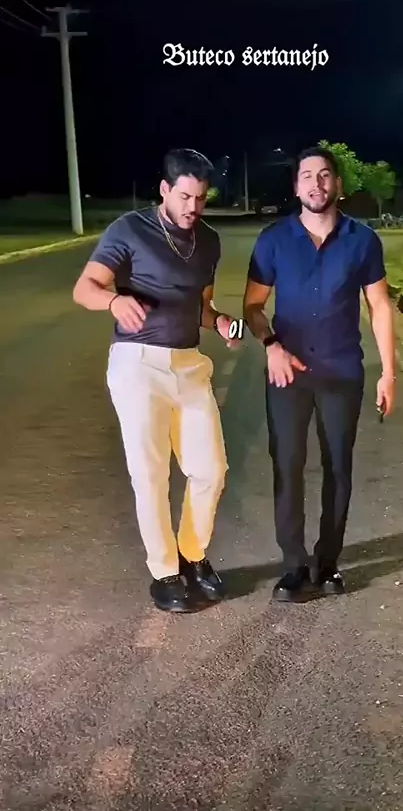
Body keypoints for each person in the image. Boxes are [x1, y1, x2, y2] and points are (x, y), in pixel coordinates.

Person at [73, 148, 241, 613]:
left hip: (189, 363)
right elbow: (85, 288)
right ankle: (165, 572)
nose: (193, 207)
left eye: (201, 198)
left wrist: (220, 322)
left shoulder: (208, 241)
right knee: (150, 474)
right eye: (185, 196)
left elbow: (202, 306)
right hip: (138, 363)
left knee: (210, 470)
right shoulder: (129, 229)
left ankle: (192, 554)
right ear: (165, 190)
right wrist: (113, 302)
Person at [243, 145, 396, 602]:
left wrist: (389, 372)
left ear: (338, 184)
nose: (316, 183)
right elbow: (253, 306)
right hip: (287, 372)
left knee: (338, 468)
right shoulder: (273, 240)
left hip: (341, 370)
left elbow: (379, 306)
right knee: (288, 466)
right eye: (307, 175)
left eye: (325, 174)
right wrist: (270, 345)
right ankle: (294, 566)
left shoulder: (362, 240)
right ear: (296, 187)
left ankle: (328, 563)